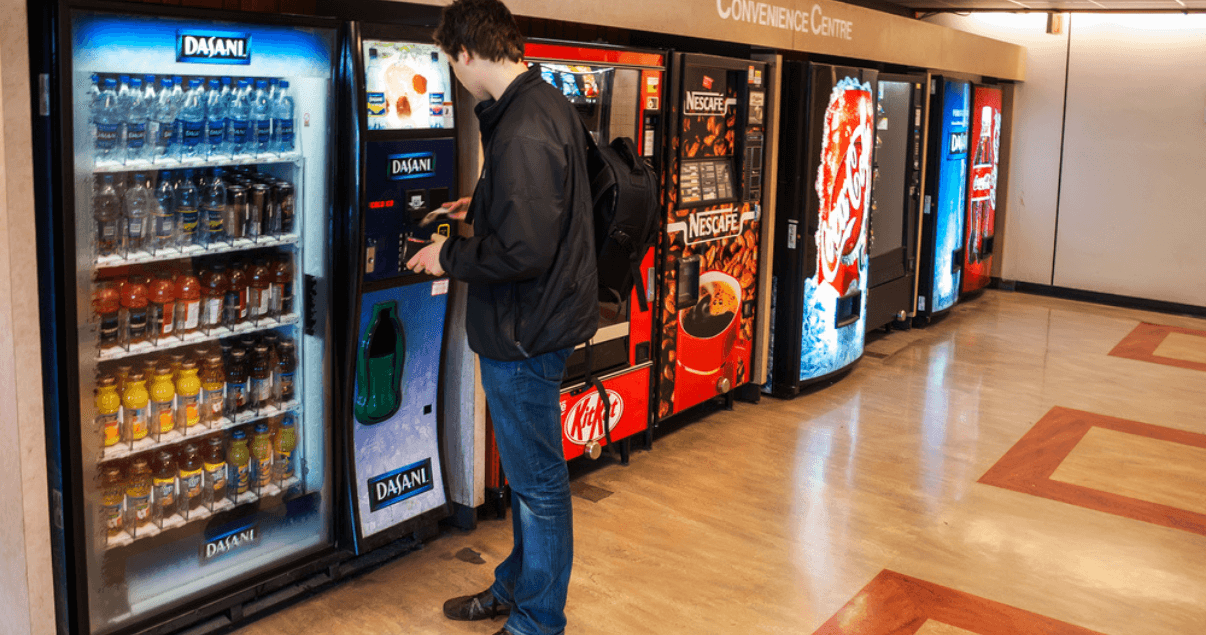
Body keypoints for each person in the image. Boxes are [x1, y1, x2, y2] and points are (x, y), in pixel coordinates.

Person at [406, 1, 598, 634]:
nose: (453, 75)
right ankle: (516, 587)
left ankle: (537, 622)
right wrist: (482, 205)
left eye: (448, 62)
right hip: (537, 321)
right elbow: (542, 207)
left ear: (464, 54)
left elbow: (525, 249)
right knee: (527, 481)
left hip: (525, 333)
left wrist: (448, 254)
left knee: (539, 487)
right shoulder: (538, 103)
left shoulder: (522, 128)